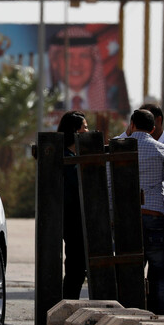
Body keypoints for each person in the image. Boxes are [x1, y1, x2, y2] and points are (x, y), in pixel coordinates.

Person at [129, 109, 164, 316]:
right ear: (152, 128)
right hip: (155, 215)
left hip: (128, 218)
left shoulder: (120, 149)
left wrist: (114, 215)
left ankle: (131, 313)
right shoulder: (162, 149)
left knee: (130, 270)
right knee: (162, 272)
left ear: (131, 125)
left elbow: (109, 184)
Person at [47, 25, 130, 115]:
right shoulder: (39, 101)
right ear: (55, 61)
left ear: (94, 61)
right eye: (68, 56)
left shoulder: (113, 100)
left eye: (84, 56)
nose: (76, 63)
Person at [57, 111, 89, 299]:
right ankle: (68, 303)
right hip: (72, 220)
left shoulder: (72, 156)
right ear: (75, 132)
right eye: (84, 127)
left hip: (73, 220)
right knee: (76, 267)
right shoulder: (67, 159)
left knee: (76, 267)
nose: (87, 131)